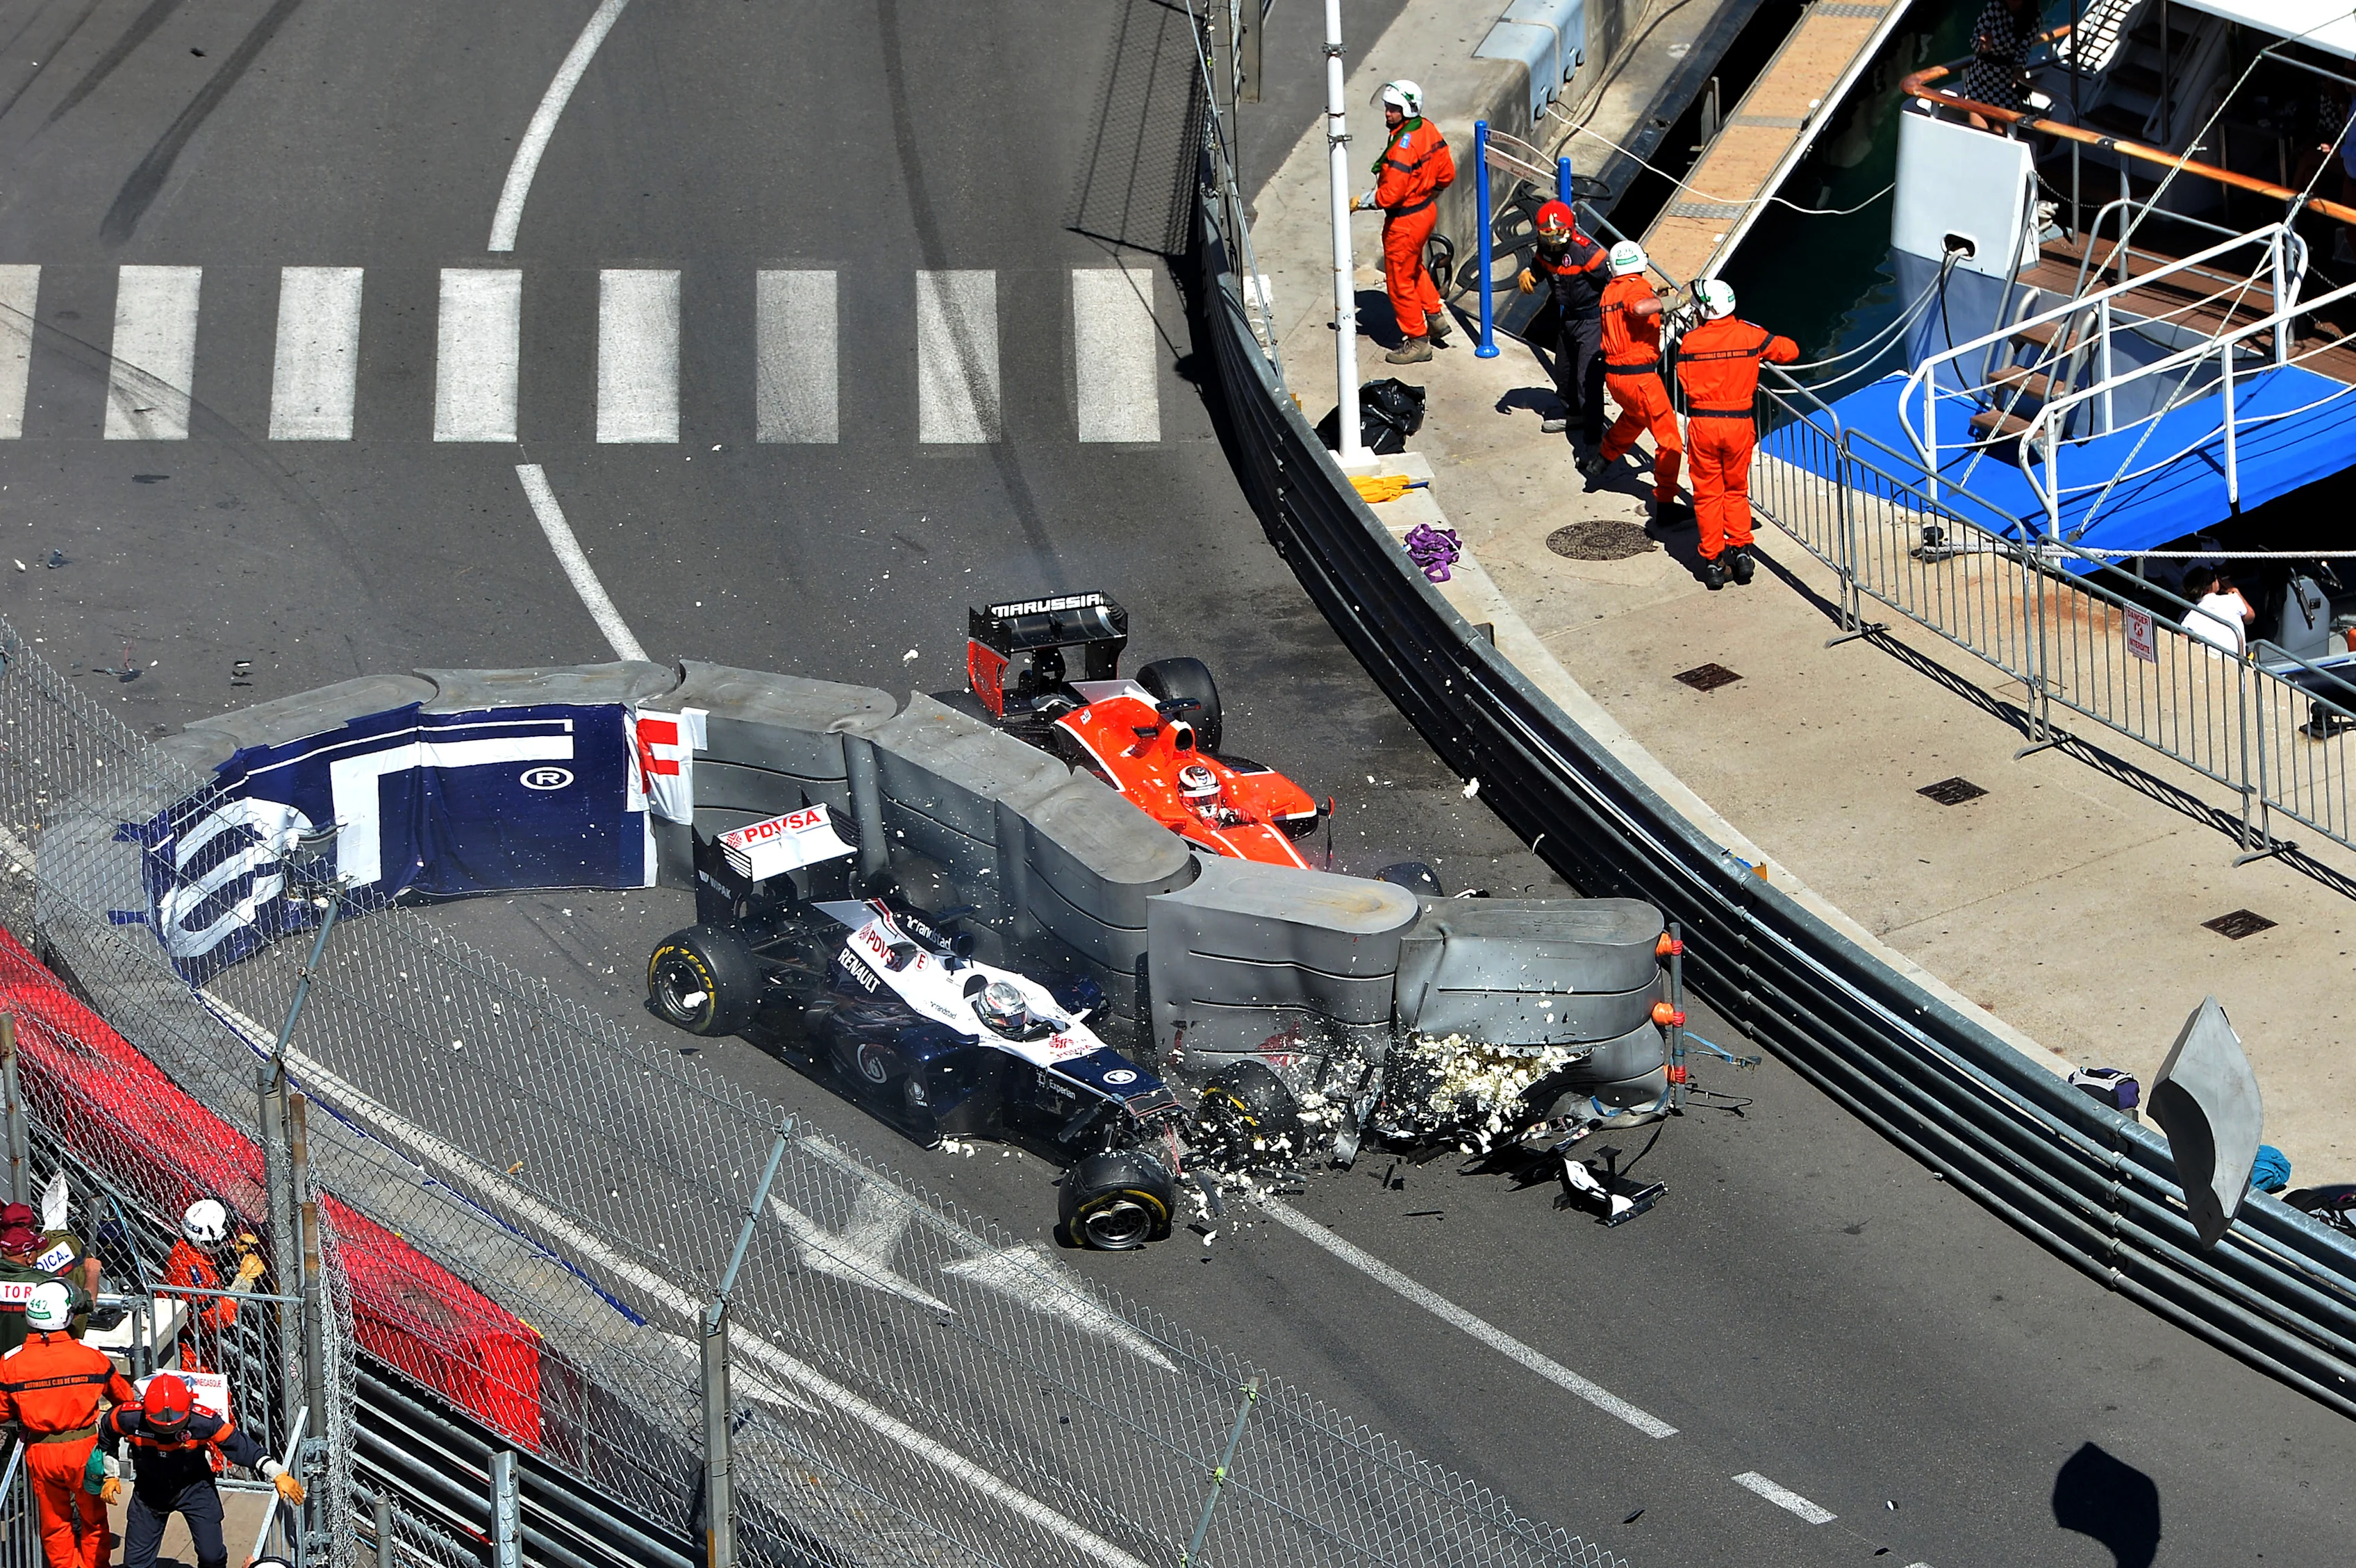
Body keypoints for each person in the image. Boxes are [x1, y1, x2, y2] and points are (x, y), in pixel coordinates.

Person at [101, 1372, 304, 1568]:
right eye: (160, 1425)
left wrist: (277, 1473)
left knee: (212, 1557)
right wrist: (111, 1475)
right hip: (149, 1492)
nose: (168, 1430)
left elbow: (239, 1445)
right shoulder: (127, 1417)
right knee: (136, 1564)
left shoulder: (204, 1421)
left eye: (175, 1424)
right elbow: (107, 1436)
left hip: (195, 1488)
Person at [0, 1282, 138, 1568]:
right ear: (66, 1316)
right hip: (86, 1450)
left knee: (55, 1523)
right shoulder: (90, 1355)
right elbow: (124, 1398)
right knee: (93, 1520)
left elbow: (2, 1411)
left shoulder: (11, 1362)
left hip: (41, 1451)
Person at [1673, 279, 1798, 590]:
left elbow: (1685, 379)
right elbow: (1790, 351)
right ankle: (1741, 551)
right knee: (1736, 490)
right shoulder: (1750, 335)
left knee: (1707, 495)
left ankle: (1714, 563)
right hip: (1739, 424)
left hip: (1703, 425)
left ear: (1706, 310)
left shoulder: (1690, 343)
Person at [1353, 81, 1455, 365]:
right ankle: (1434, 317)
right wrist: (1427, 193)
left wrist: (1361, 202)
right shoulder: (1427, 129)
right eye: (1387, 107)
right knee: (1414, 268)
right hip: (1425, 213)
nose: (1388, 113)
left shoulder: (1401, 147)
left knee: (1400, 281)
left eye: (1394, 109)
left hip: (1405, 221)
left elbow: (1391, 195)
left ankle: (1418, 341)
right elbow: (1447, 173)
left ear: (1408, 110)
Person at [1590, 241, 1688, 520]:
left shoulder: (1611, 290)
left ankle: (1602, 459)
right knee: (1670, 441)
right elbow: (1639, 308)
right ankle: (1666, 504)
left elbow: (1629, 319)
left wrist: (1657, 302)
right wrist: (1677, 301)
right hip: (1640, 378)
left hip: (1616, 378)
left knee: (1635, 417)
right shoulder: (1635, 286)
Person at [1517, 199, 1611, 447]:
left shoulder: (1587, 252)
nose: (1554, 243)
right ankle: (1573, 415)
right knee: (1565, 370)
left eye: (1558, 236)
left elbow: (1614, 280)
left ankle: (1594, 438)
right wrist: (1529, 272)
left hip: (1592, 320)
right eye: (1548, 237)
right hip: (1568, 318)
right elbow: (1540, 266)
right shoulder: (1545, 248)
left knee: (1587, 379)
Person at [163, 1200, 265, 1374]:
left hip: (197, 1343)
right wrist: (245, 1280)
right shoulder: (191, 1273)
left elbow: (209, 1263)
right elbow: (217, 1318)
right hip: (192, 1354)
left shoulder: (187, 1249)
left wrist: (232, 1251)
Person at [1959, 0, 2038, 131]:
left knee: (2000, 133)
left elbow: (2024, 48)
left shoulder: (2033, 15)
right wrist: (1984, 47)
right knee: (1978, 133)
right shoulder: (1994, 7)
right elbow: (1975, 39)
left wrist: (2019, 68)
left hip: (2007, 82)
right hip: (1981, 78)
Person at [2181, 565, 2253, 657]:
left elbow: (2184, 647)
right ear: (2209, 586)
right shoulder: (2232, 599)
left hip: (2211, 664)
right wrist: (2235, 591)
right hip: (2238, 662)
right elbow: (2250, 618)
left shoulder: (2188, 619)